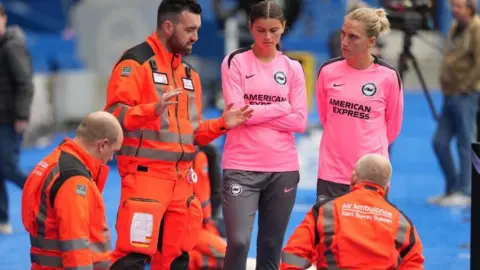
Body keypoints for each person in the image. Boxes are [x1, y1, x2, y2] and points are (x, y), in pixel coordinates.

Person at [103, 1, 253, 269]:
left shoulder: (189, 74)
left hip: (182, 183)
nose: (196, 36)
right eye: (190, 29)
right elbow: (113, 117)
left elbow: (192, 134)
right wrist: (152, 110)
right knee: (132, 258)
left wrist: (222, 124)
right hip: (145, 179)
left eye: (197, 29)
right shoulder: (135, 62)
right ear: (168, 26)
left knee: (177, 259)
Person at [220, 1, 308, 269]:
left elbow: (300, 122)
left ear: (283, 29)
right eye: (260, 30)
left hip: (282, 167)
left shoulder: (293, 68)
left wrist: (257, 113)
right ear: (250, 28)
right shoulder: (234, 62)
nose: (267, 37)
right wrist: (280, 107)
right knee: (238, 241)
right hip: (241, 166)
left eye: (273, 30)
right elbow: (236, 115)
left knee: (271, 245)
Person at [316, 7, 403, 203]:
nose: (345, 42)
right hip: (332, 171)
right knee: (328, 232)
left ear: (371, 42)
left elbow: (393, 128)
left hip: (371, 174)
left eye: (353, 37)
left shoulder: (388, 77)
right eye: (343, 34)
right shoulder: (328, 71)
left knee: (367, 234)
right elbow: (325, 117)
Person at [280, 154, 424, 269]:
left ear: (353, 178)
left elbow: (294, 254)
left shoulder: (326, 210)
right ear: (387, 189)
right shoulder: (403, 223)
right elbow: (414, 264)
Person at [21, 111, 123, 269]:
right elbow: (76, 246)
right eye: (114, 151)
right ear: (102, 145)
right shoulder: (74, 181)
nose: (111, 158)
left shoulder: (53, 162)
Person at [429, 0, 479, 207]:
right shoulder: (453, 27)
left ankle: (467, 191)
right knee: (439, 142)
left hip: (467, 94)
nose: (453, 10)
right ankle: (452, 188)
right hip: (450, 94)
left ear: (470, 8)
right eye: (452, 6)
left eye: (458, 6)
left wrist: (467, 86)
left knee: (466, 142)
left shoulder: (477, 29)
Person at [0, 3, 34, 234]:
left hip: (10, 119)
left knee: (8, 167)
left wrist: (21, 115)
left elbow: (25, 83)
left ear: (3, 18)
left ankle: (43, 190)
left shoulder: (12, 46)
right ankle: (2, 219)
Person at [188, 147, 226, 270]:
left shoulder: (203, 155)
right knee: (230, 253)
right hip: (189, 229)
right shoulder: (198, 157)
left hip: (200, 227)